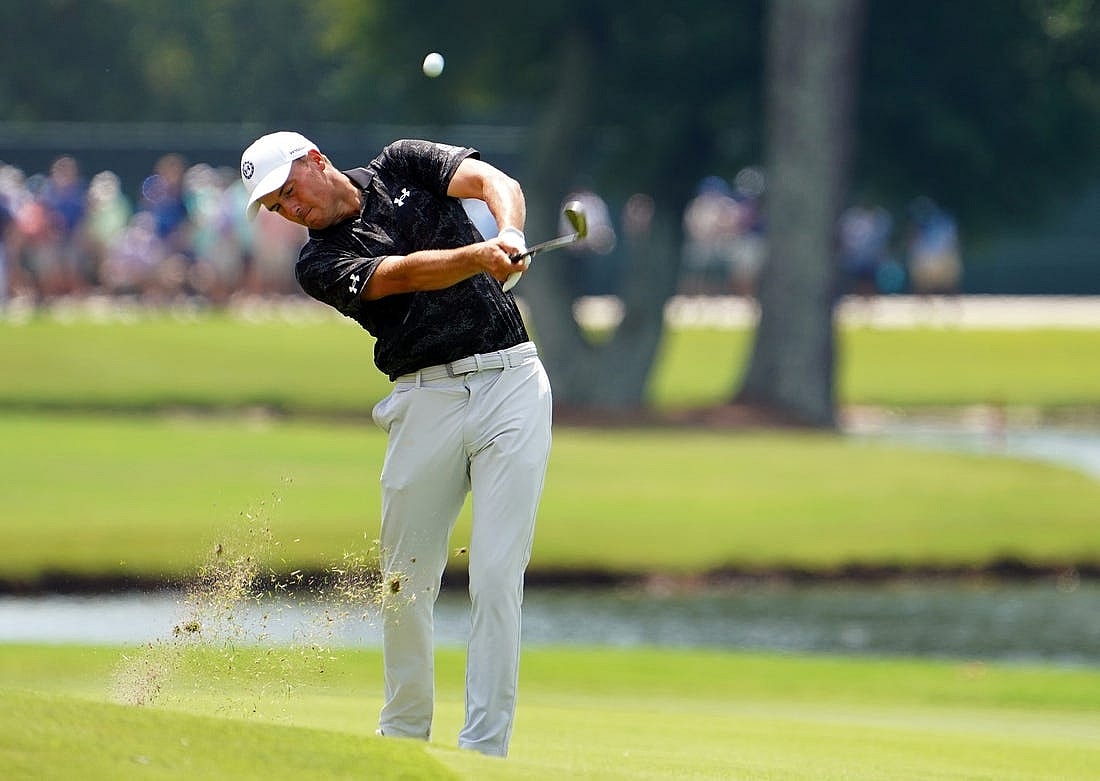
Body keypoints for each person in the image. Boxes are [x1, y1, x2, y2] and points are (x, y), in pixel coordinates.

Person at [239, 131, 553, 758]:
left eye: (288, 191)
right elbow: (401, 276)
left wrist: (510, 233)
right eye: (276, 207)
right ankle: (404, 741)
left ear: (315, 162)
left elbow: (498, 185)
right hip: (423, 399)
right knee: (404, 582)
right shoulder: (318, 264)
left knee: (496, 575)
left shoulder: (404, 161)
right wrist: (480, 256)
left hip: (510, 381)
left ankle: (484, 751)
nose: (290, 210)